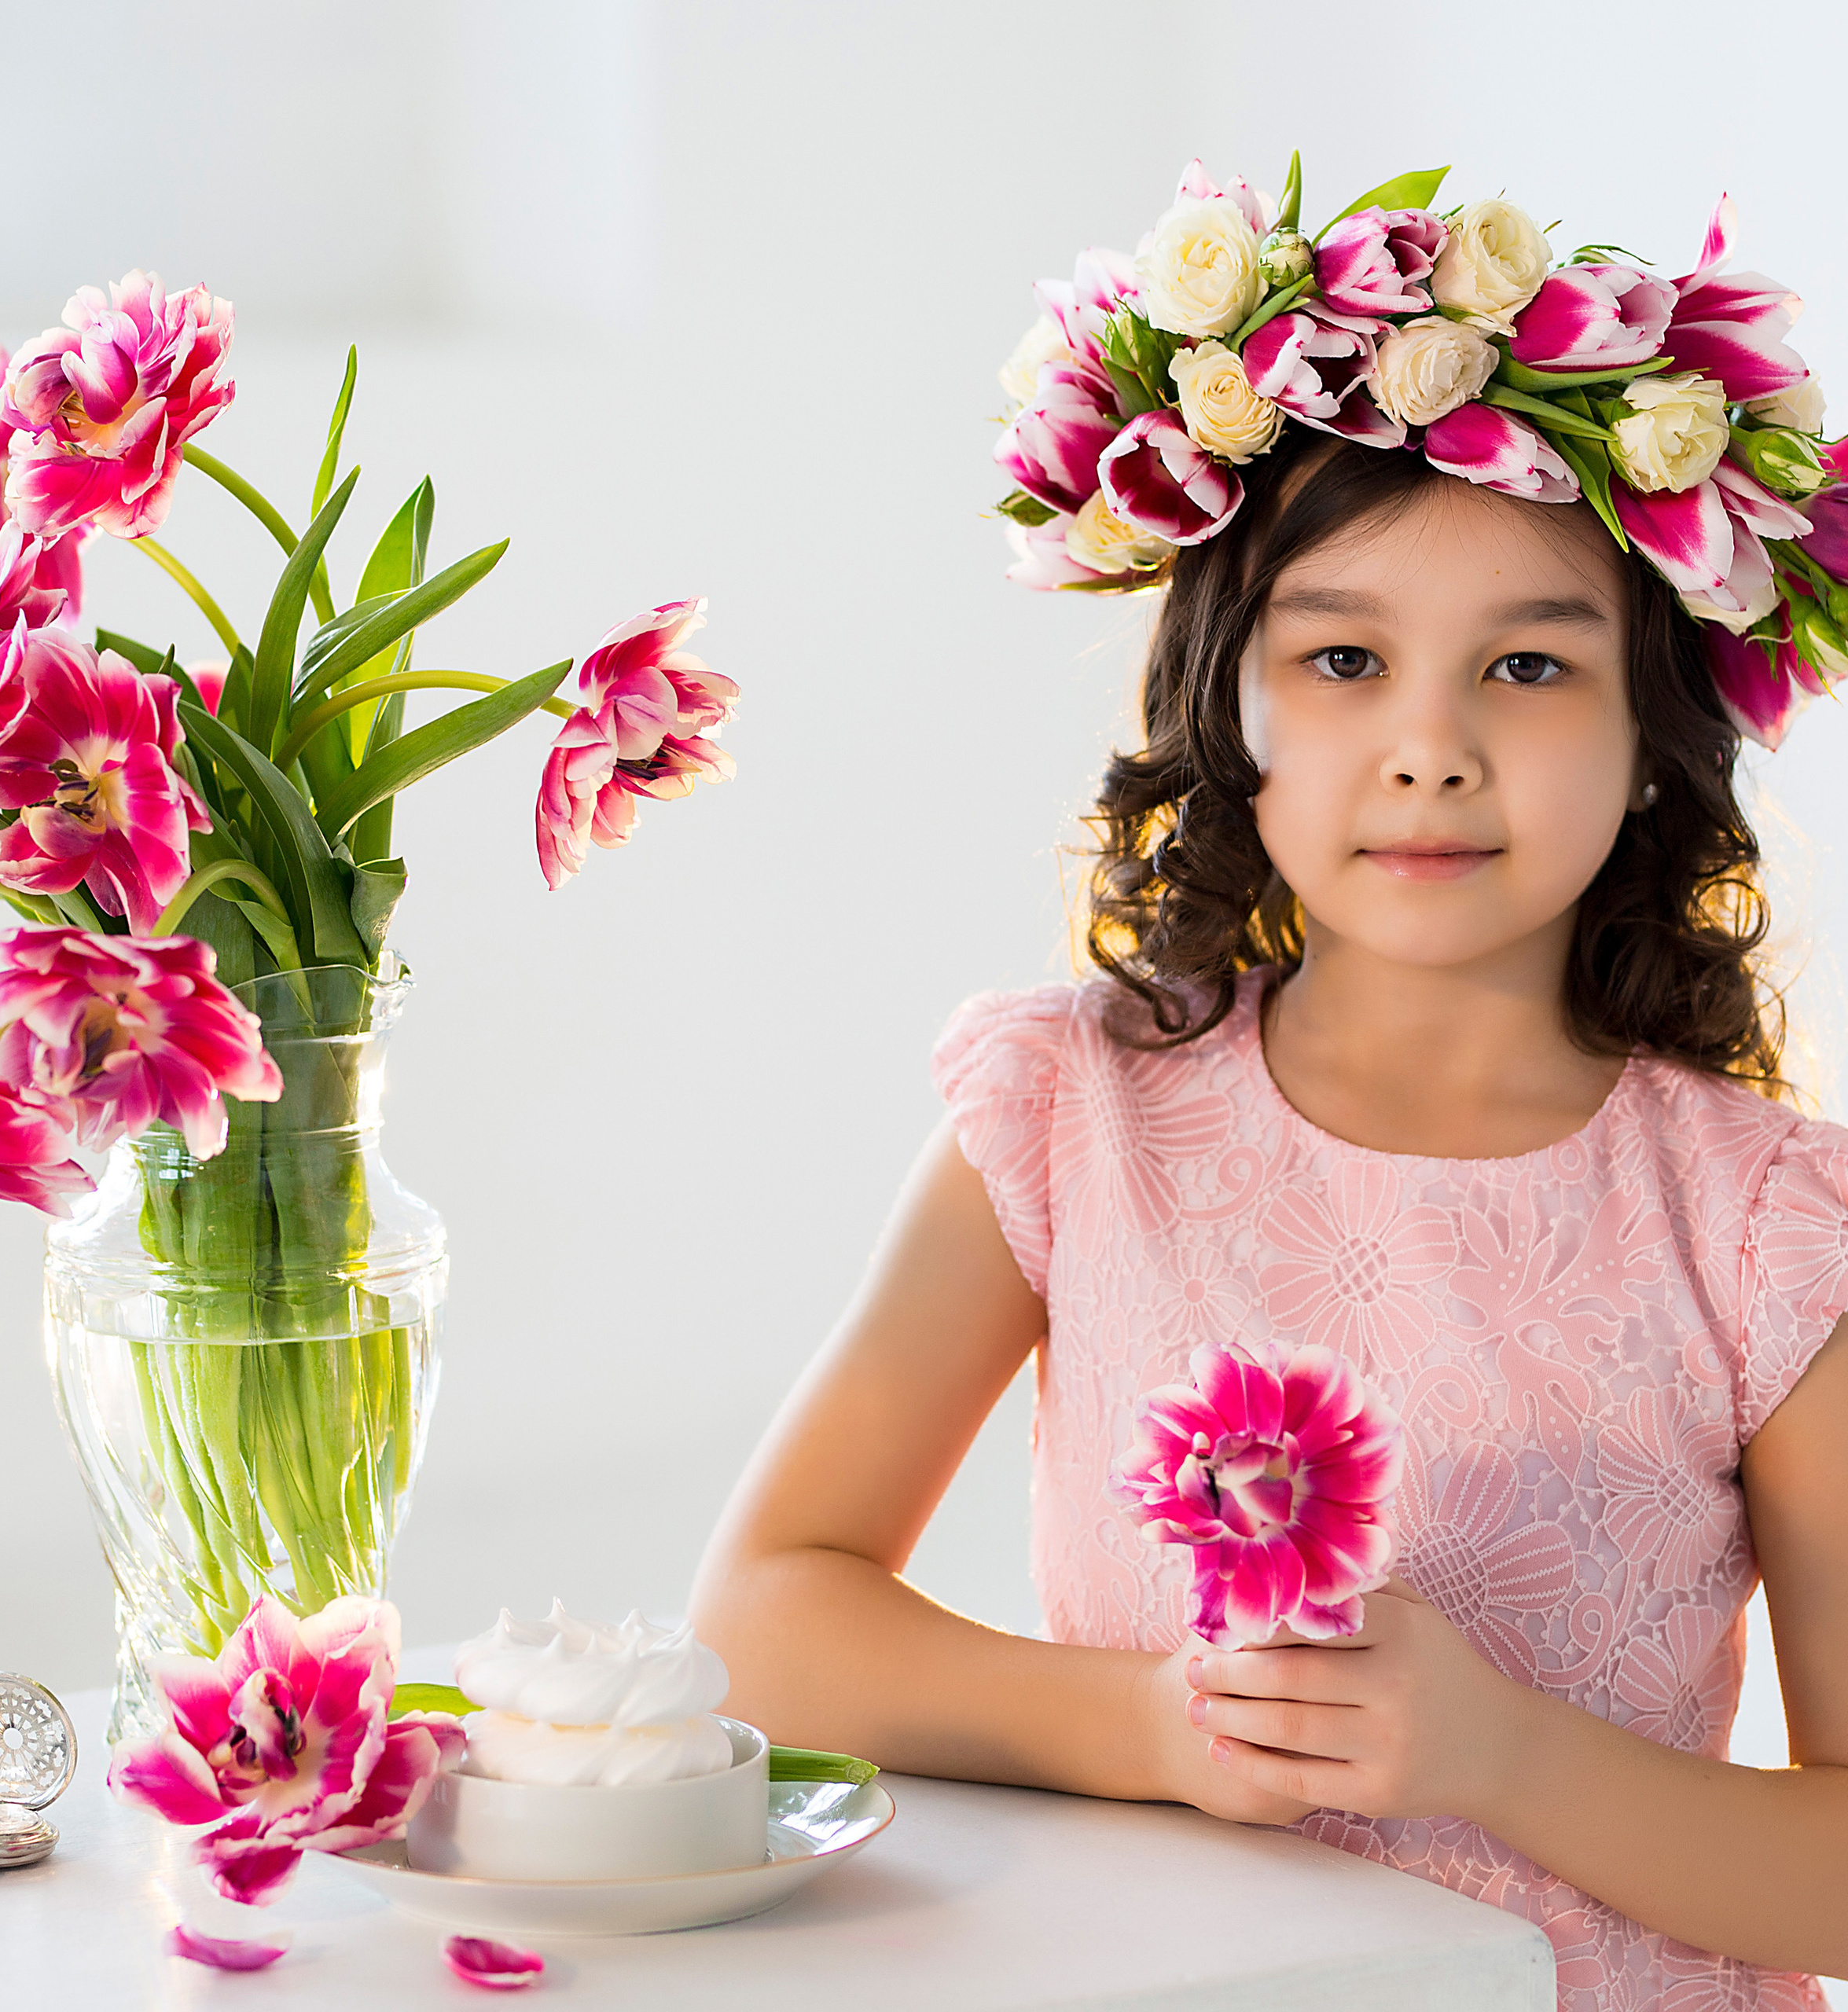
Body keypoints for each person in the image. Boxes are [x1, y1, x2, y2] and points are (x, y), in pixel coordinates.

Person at [691, 158, 1848, 2010]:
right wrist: (1152, 1724)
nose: (1429, 749)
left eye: (1528, 666)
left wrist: (1498, 1755)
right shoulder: (1065, 1114)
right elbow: (763, 1622)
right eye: (1341, 658)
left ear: (1650, 741)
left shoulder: (1773, 1228)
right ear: (1229, 707)